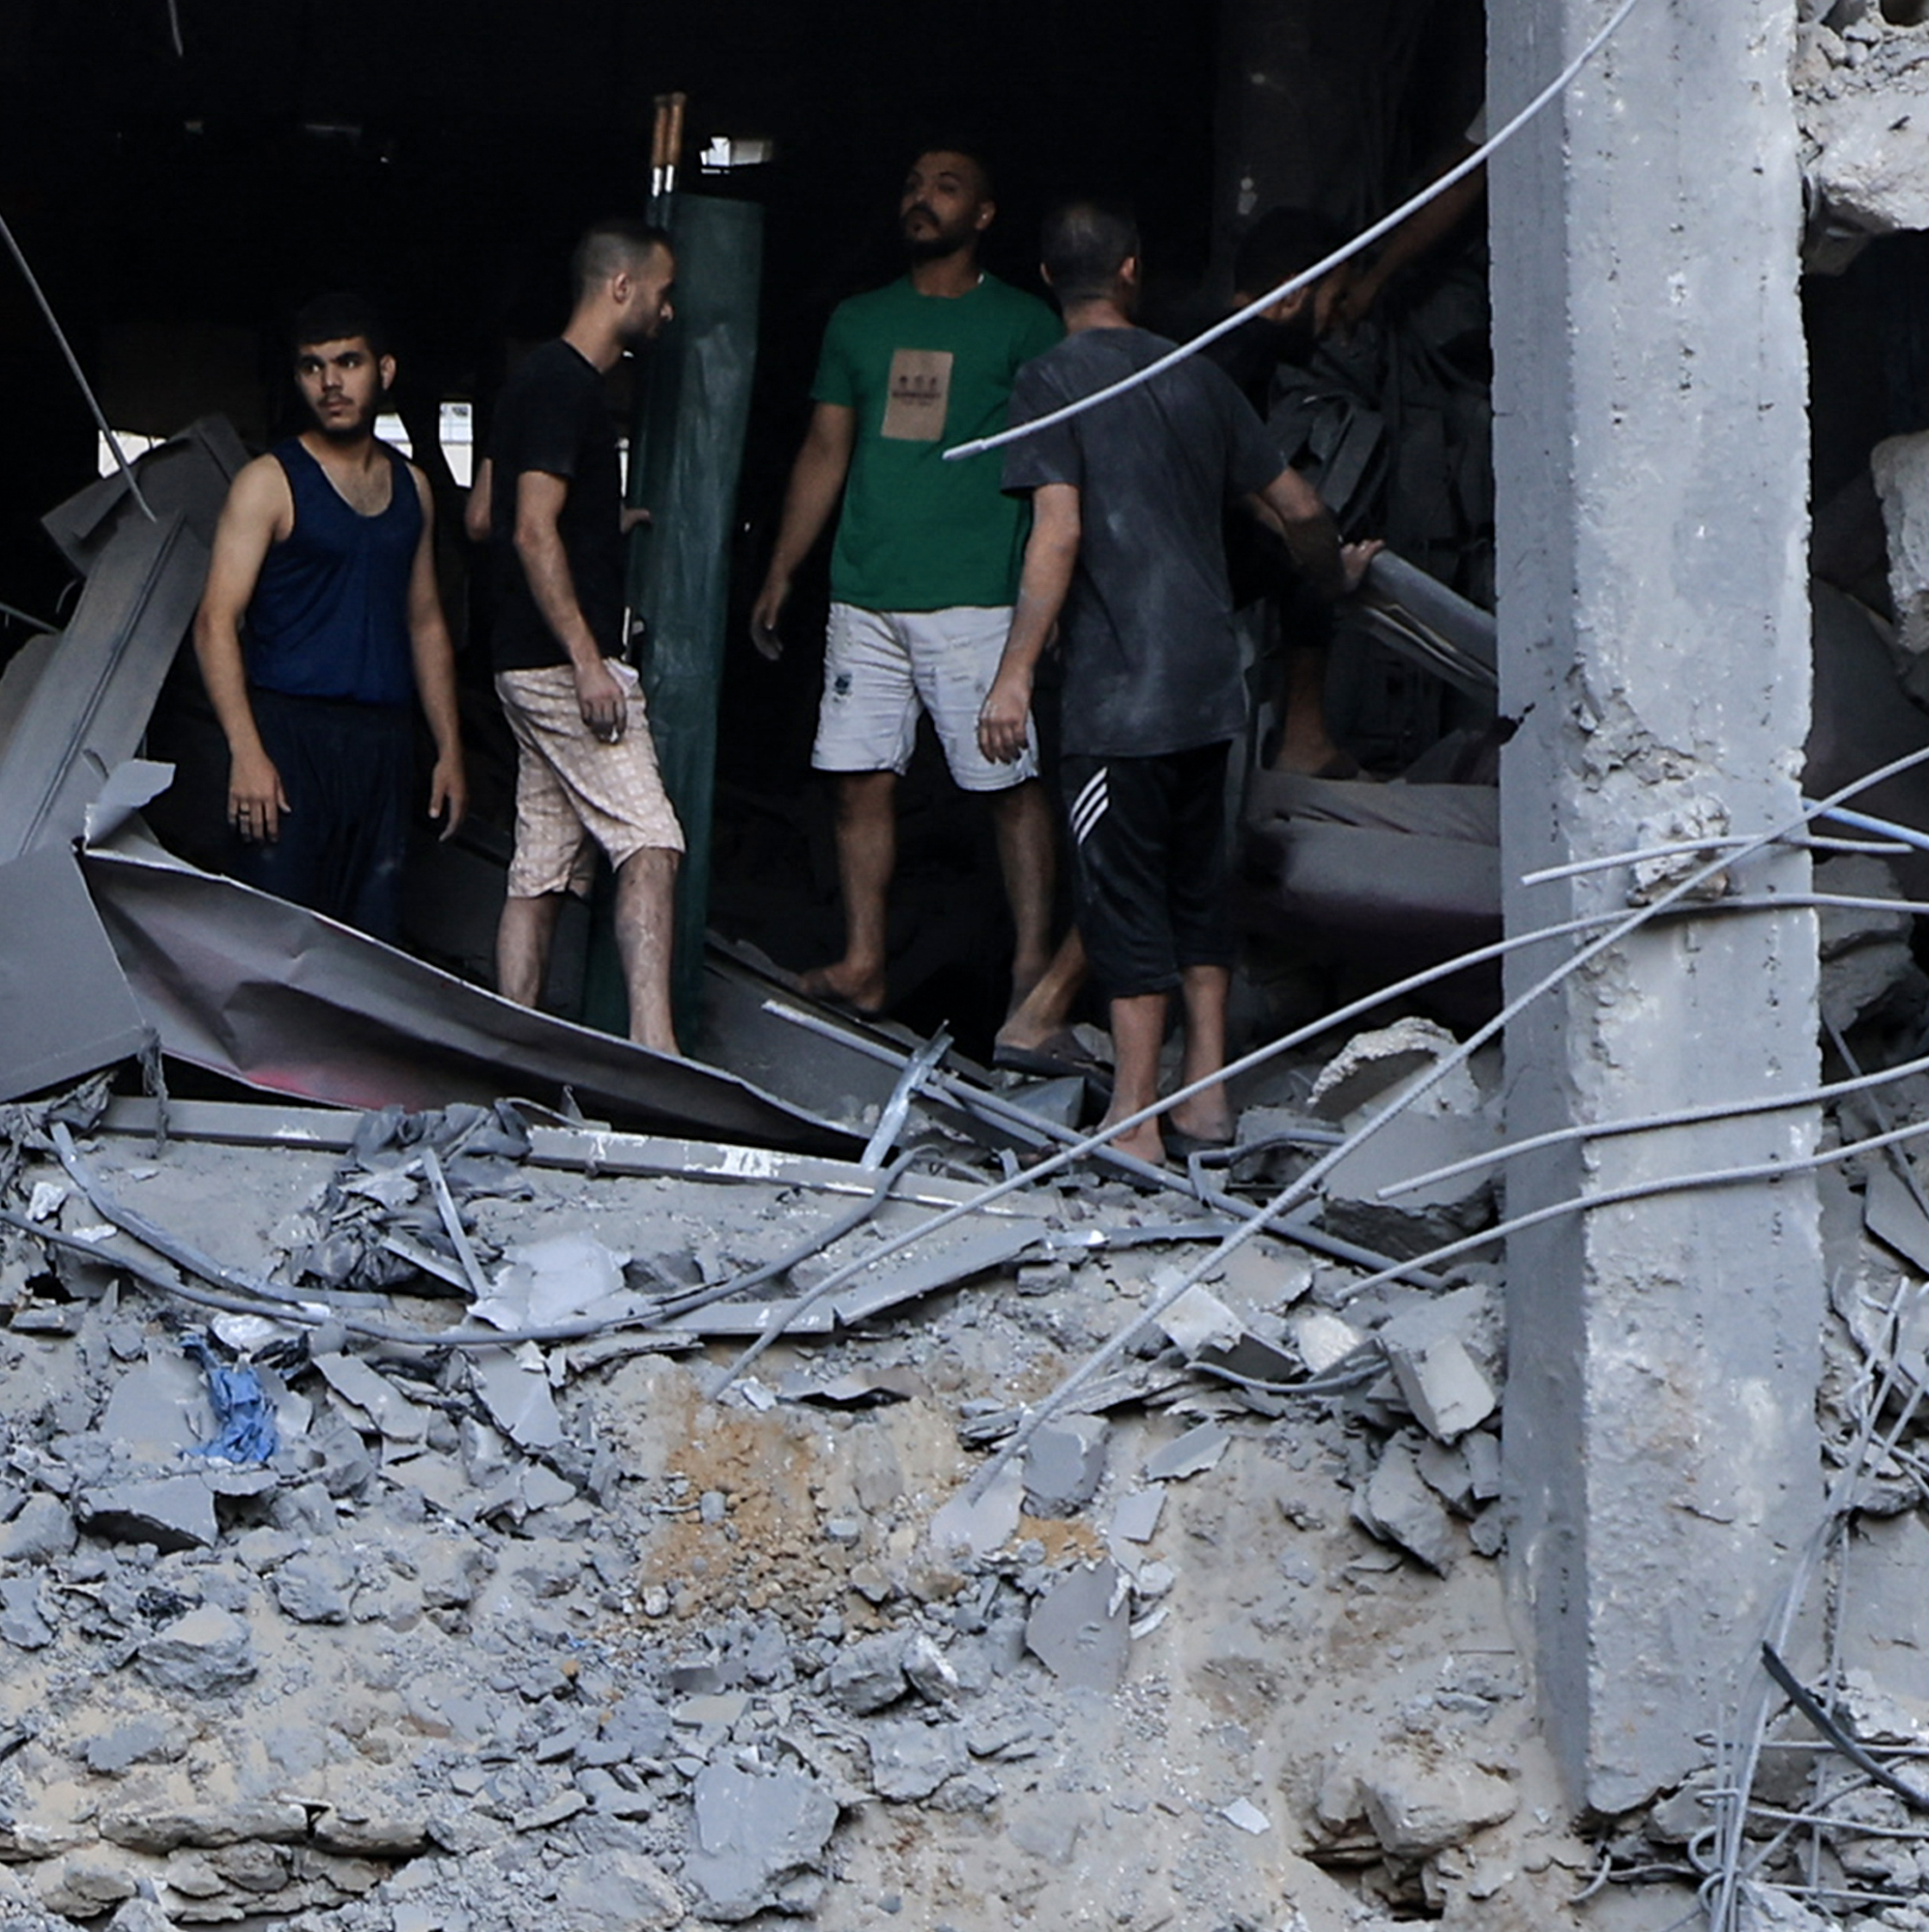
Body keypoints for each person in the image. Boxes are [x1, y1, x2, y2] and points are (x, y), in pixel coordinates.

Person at [980, 204, 1380, 1169]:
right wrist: (1327, 580)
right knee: (1198, 889)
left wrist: (1012, 675)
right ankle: (1204, 1099)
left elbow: (1058, 532)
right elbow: (1298, 508)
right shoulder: (1197, 372)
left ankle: (1133, 1120)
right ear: (1130, 269)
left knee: (1121, 899)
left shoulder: (1048, 381)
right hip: (1208, 684)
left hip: (1120, 693)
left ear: (1046, 275)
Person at [746, 142, 1068, 1034]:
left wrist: (1050, 599)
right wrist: (783, 566)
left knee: (1008, 782)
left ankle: (1033, 968)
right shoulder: (859, 320)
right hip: (866, 590)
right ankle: (863, 964)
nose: (923, 199)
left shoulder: (1026, 325)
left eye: (948, 188)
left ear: (985, 216)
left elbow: (1060, 471)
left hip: (978, 595)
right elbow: (826, 448)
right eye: (915, 185)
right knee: (857, 781)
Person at [186, 301, 465, 944]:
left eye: (347, 362)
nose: (330, 382)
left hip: (383, 748)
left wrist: (449, 750)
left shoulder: (414, 488)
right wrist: (247, 752)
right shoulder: (268, 483)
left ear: (384, 370)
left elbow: (425, 624)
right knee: (271, 945)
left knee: (371, 945)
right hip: (288, 739)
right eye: (312, 367)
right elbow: (214, 623)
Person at [482, 227, 694, 1036]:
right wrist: (587, 663)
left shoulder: (532, 381)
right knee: (651, 839)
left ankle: (513, 1045)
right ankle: (654, 1049)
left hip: (519, 660)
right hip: (561, 664)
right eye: (662, 292)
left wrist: (603, 521)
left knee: (540, 866)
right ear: (620, 287)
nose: (667, 311)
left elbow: (484, 514)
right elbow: (531, 529)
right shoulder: (564, 387)